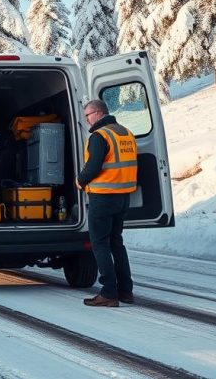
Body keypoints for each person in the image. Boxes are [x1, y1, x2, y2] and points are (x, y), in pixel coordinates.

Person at [77, 99, 137, 307]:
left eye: (88, 116)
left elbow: (93, 167)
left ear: (99, 113)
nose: (86, 120)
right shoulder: (125, 133)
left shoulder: (99, 136)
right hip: (123, 197)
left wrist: (80, 180)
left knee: (100, 243)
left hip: (103, 196)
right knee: (116, 243)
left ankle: (109, 292)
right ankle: (125, 290)